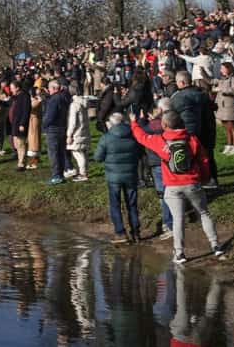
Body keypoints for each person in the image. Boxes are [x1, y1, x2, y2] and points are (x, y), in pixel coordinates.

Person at [131, 111, 224, 265]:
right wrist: (205, 178)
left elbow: (141, 137)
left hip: (172, 186)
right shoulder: (192, 139)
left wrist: (134, 122)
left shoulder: (160, 140)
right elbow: (204, 160)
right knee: (204, 213)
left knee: (178, 219)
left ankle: (180, 254)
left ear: (164, 125)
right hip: (193, 183)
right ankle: (216, 246)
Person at [94, 112, 143, 243]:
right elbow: (140, 153)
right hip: (131, 175)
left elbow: (97, 157)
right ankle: (136, 233)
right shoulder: (133, 135)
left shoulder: (106, 138)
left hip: (113, 177)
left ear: (111, 123)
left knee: (115, 204)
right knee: (132, 204)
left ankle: (120, 233)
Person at [41, 79, 70, 184]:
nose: (48, 90)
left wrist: (43, 125)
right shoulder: (64, 97)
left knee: (53, 153)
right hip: (63, 127)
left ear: (53, 88)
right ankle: (60, 174)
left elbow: (50, 116)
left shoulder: (54, 99)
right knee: (61, 152)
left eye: (49, 88)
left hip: (53, 129)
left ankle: (56, 175)